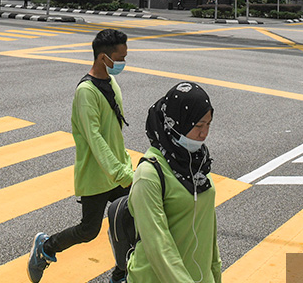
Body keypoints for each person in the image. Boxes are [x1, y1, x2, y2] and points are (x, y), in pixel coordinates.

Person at [28, 29, 133, 283]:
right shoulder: (86, 92)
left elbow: (113, 132)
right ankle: (45, 248)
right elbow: (95, 140)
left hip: (118, 172)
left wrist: (126, 163)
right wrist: (121, 172)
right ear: (102, 58)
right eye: (120, 58)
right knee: (88, 230)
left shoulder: (111, 82)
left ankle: (120, 274)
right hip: (97, 175)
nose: (123, 63)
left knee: (133, 220)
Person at [127, 82, 219, 283]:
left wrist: (216, 274)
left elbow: (209, 233)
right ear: (176, 123)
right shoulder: (149, 175)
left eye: (208, 124)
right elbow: (158, 246)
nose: (204, 134)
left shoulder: (199, 164)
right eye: (198, 126)